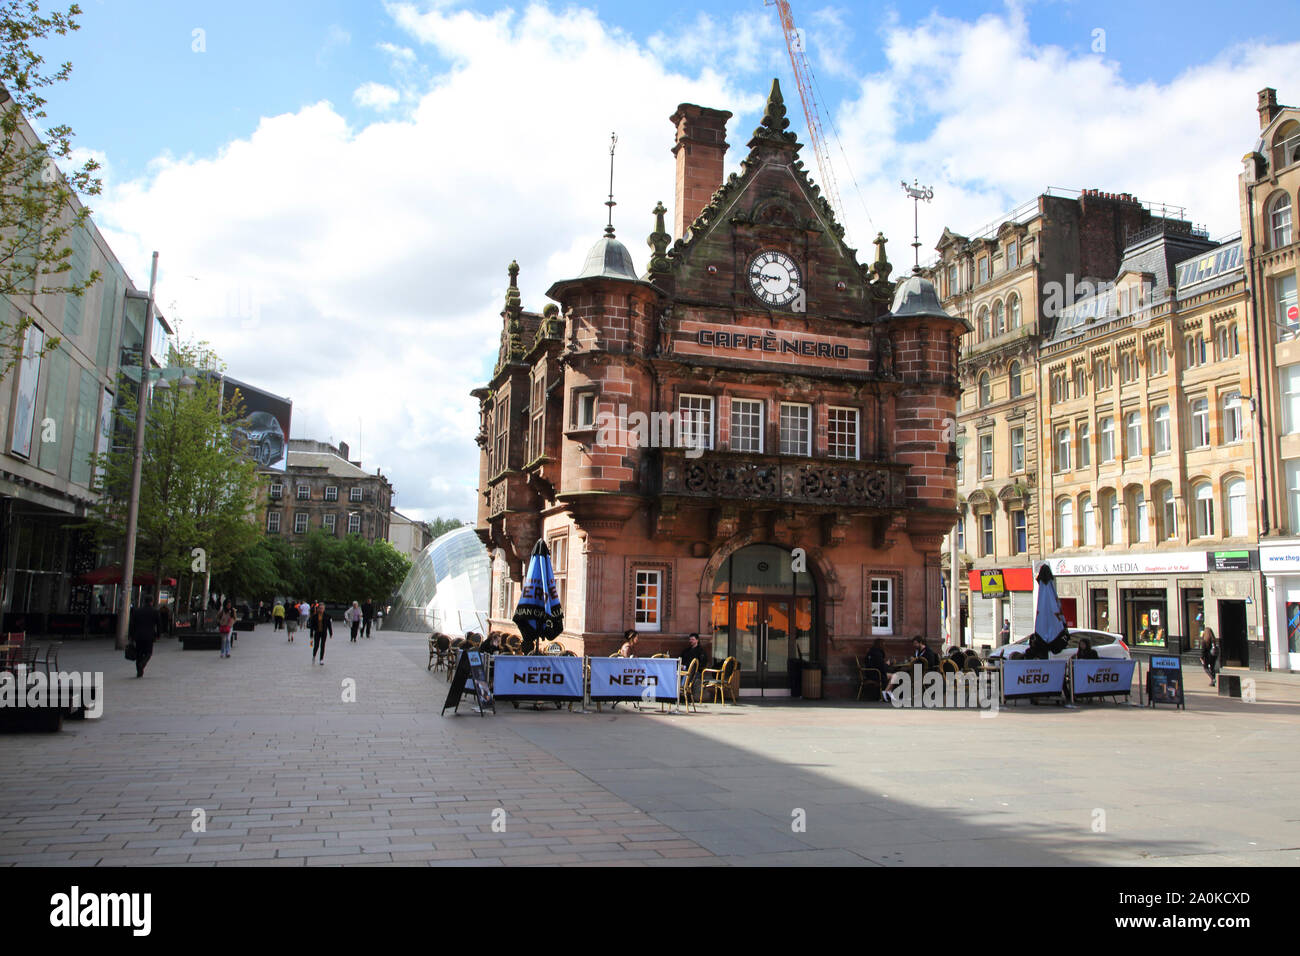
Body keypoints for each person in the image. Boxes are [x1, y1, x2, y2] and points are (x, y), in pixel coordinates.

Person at [129, 592, 161, 678]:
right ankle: (142, 664)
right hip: (149, 636)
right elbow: (158, 624)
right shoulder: (155, 611)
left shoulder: (137, 611)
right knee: (148, 653)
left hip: (138, 636)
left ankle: (139, 671)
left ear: (144, 601)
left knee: (139, 653)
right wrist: (158, 635)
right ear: (152, 601)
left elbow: (132, 624)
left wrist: (131, 636)